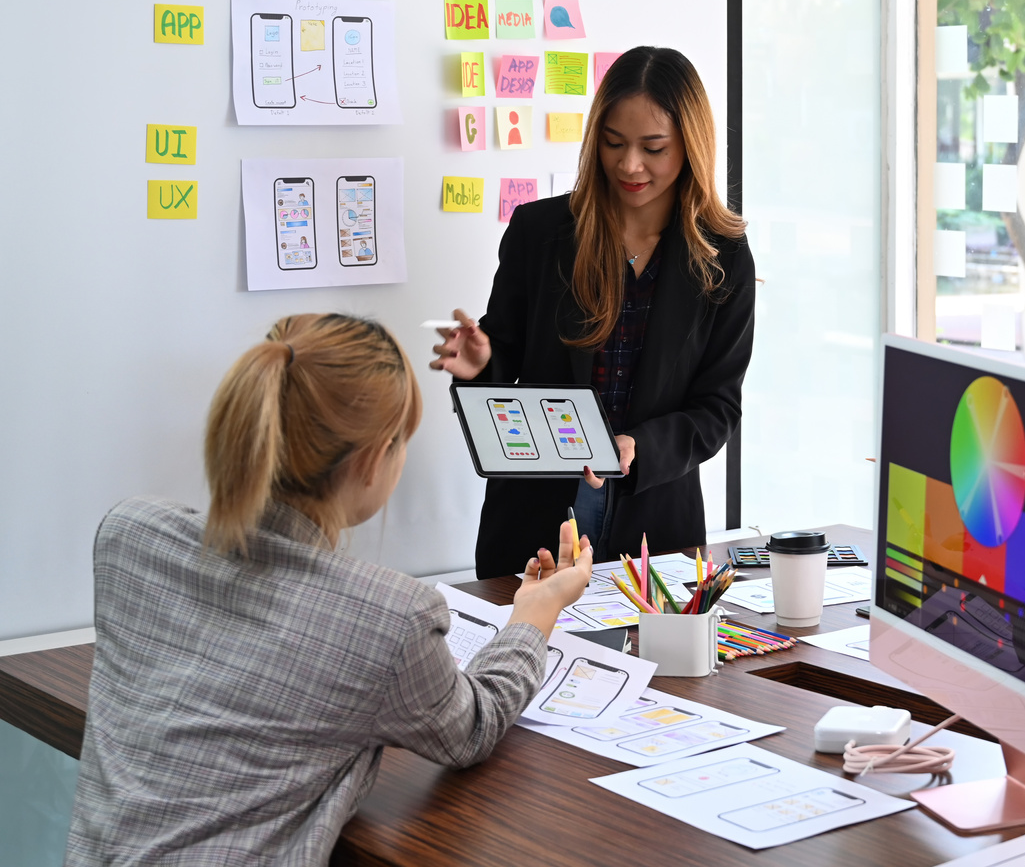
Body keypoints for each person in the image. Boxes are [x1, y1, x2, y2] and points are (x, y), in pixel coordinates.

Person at [65, 314, 593, 866]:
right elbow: (472, 729)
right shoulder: (391, 616)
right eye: (401, 442)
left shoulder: (127, 534)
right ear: (371, 461)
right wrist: (536, 612)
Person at [432, 46, 754, 576]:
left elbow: (718, 407)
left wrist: (638, 447)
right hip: (533, 520)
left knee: (654, 659)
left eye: (654, 148)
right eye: (613, 143)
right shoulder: (539, 233)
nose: (630, 165)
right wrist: (477, 365)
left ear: (691, 146)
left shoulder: (724, 257)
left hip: (657, 524)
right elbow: (501, 358)